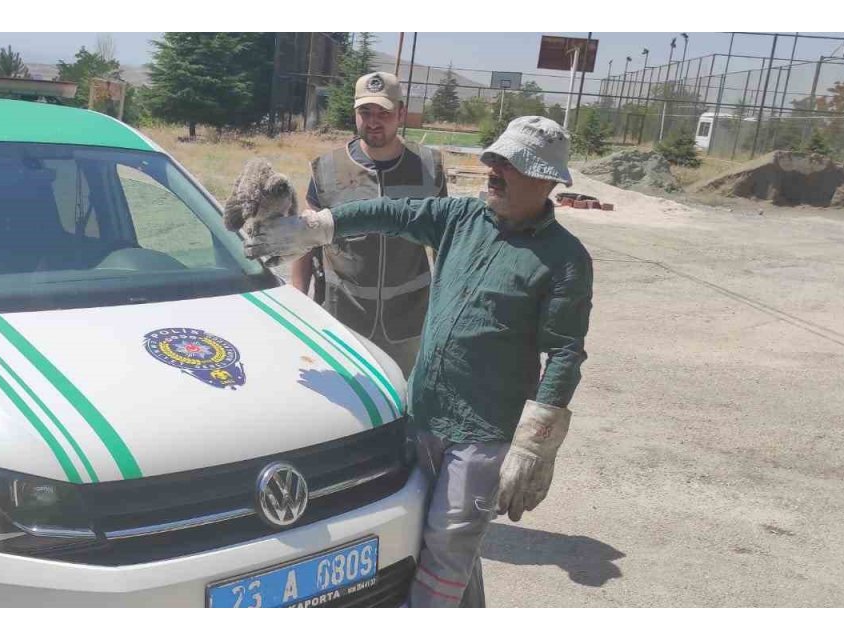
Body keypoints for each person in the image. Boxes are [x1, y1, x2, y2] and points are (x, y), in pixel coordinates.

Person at [243, 115, 593, 608]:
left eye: (508, 164)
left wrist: (534, 446)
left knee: (448, 549)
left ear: (545, 179)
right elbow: (392, 212)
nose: (492, 169)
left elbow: (563, 352)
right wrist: (317, 227)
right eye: (492, 158)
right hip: (423, 413)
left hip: (483, 431)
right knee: (414, 539)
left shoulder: (565, 259)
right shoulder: (460, 219)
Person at [291, 71, 446, 374]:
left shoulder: (429, 167)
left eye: (384, 113)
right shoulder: (326, 168)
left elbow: (444, 240)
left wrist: (446, 305)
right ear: (355, 114)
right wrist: (298, 297)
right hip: (341, 318)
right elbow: (306, 239)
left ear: (401, 113)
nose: (374, 121)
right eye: (366, 112)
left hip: (408, 322)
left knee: (402, 402)